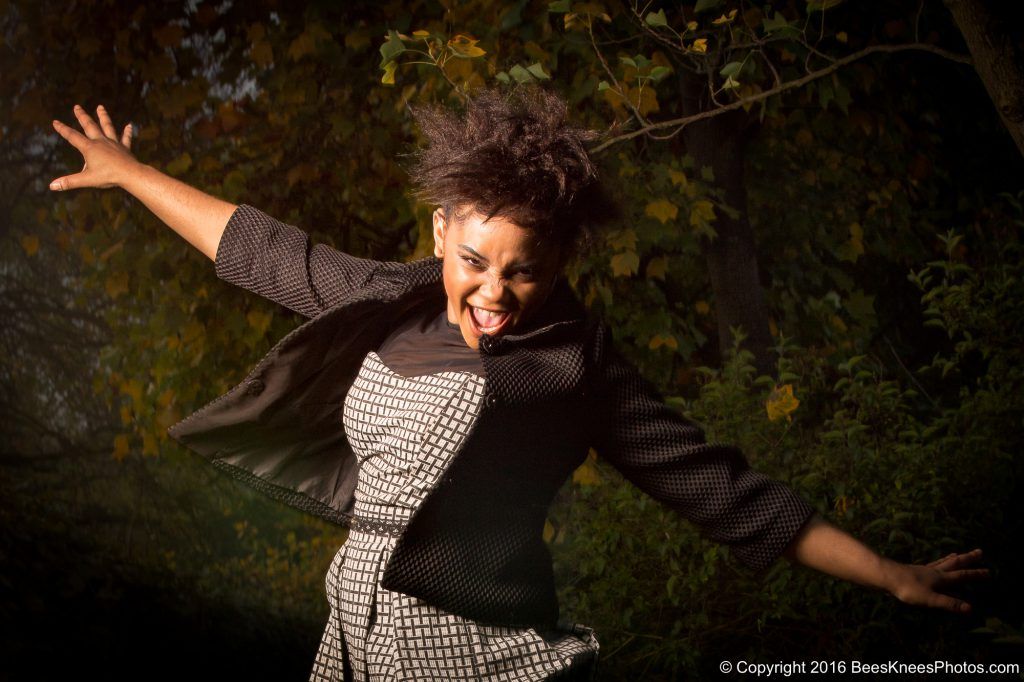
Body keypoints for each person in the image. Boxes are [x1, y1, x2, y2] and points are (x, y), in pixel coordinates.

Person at [50, 87, 987, 681]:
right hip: (349, 639)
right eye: (472, 260)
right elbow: (260, 249)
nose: (492, 293)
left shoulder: (578, 366)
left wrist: (892, 576)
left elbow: (727, 495)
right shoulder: (396, 301)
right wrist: (132, 175)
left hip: (473, 651)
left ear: (562, 260)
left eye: (524, 272)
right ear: (438, 234)